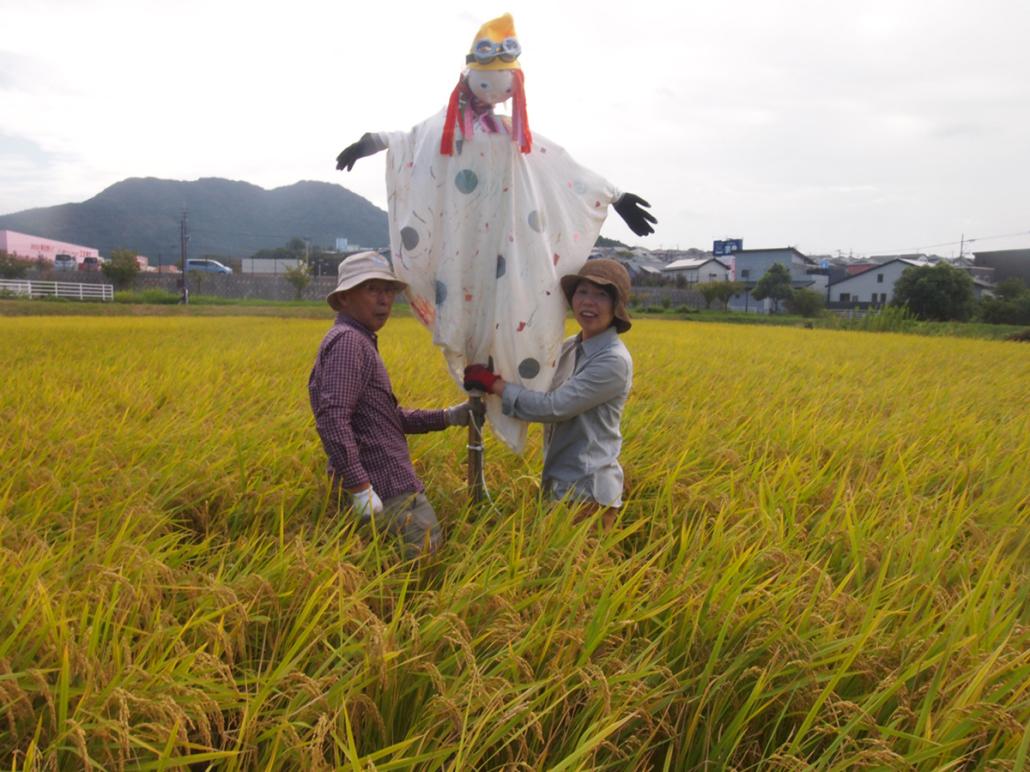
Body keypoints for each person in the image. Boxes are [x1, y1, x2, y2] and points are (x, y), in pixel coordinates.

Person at [333, 13, 655, 454]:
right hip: (458, 257)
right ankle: (477, 422)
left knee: (503, 328)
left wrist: (614, 195)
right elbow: (408, 139)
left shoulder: (511, 138)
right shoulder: (443, 132)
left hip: (502, 256)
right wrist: (371, 141)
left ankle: (486, 419)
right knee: (467, 333)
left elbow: (560, 165)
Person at [308, 251, 469, 558]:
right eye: (372, 289)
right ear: (343, 298)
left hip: (385, 487)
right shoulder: (348, 342)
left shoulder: (360, 339)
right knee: (422, 569)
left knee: (390, 575)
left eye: (388, 291)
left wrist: (448, 417)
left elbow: (387, 417)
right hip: (386, 490)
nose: (384, 300)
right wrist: (360, 488)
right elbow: (332, 417)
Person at [462, 259, 633, 527]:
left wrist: (493, 384)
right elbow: (532, 379)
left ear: (616, 306)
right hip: (560, 484)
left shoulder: (612, 361)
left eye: (601, 295)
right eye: (583, 292)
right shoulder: (568, 348)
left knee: (579, 568)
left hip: (587, 493)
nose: (589, 302)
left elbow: (553, 407)